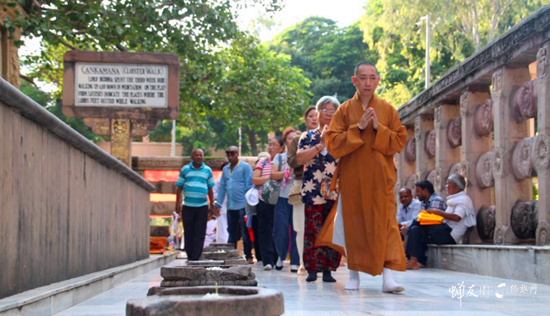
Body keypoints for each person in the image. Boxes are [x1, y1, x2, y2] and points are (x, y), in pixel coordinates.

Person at [317, 62, 407, 292]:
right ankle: (354, 276)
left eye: (372, 78)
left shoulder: (387, 109)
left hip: (381, 178)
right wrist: (359, 127)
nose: (367, 82)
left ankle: (388, 278)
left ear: (378, 81)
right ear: (354, 80)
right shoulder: (345, 110)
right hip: (353, 178)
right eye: (362, 78)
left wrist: (379, 128)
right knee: (354, 225)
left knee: (386, 224)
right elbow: (333, 143)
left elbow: (399, 141)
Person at [296, 96, 342, 283]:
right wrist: (320, 144)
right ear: (318, 112)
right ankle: (312, 269)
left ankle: (329, 269)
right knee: (312, 230)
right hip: (312, 189)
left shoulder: (341, 136)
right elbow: (299, 159)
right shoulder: (307, 136)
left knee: (331, 229)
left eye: (332, 111)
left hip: (333, 189)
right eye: (325, 110)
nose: (328, 114)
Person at [405, 174, 476, 270]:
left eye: (448, 184)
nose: (446, 187)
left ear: (454, 186)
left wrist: (436, 212)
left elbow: (456, 217)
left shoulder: (463, 199)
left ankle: (402, 250)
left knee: (420, 222)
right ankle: (416, 261)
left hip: (450, 235)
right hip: (444, 230)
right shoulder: (455, 198)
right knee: (415, 229)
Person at [287, 106, 319, 274]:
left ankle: (319, 263)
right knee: (300, 226)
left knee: (319, 226)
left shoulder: (328, 138)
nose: (314, 119)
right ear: (305, 119)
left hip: (322, 186)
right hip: (302, 183)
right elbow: (292, 161)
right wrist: (308, 155)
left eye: (317, 115)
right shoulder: (297, 140)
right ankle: (302, 262)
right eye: (310, 116)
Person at [216, 146, 254, 264]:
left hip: (243, 205)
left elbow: (250, 184)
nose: (230, 156)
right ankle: (231, 255)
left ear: (238, 154)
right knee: (231, 231)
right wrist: (218, 204)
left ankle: (248, 255)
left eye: (233, 154)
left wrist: (250, 202)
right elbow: (222, 187)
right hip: (231, 205)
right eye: (228, 154)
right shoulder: (226, 170)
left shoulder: (245, 167)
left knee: (245, 231)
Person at [175, 149, 215, 261]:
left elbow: (210, 188)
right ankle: (190, 255)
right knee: (189, 231)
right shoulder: (185, 169)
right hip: (188, 205)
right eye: (196, 155)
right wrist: (177, 204)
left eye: (200, 155)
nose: (199, 157)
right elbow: (179, 187)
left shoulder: (207, 170)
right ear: (192, 157)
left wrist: (212, 204)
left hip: (202, 206)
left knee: (200, 231)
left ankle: (196, 256)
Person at [253, 138, 285, 270]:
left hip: (281, 198)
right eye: (269, 145)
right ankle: (267, 260)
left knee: (279, 229)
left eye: (274, 145)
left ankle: (279, 257)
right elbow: (255, 179)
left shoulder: (284, 161)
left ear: (281, 148)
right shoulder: (263, 161)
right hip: (264, 199)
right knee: (264, 229)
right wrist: (270, 177)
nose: (271, 147)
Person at [271, 127, 300, 272]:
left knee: (297, 230)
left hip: (297, 198)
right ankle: (280, 256)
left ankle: (295, 260)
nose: (293, 141)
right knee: (280, 230)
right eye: (290, 138)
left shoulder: (302, 156)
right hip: (282, 198)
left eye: (296, 138)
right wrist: (288, 171)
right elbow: (273, 174)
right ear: (285, 142)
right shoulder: (280, 158)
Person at [213, 161, 229, 244]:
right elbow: (213, 193)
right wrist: (221, 196)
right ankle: (223, 245)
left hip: (233, 207)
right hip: (221, 207)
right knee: (222, 228)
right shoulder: (218, 181)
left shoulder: (235, 180)